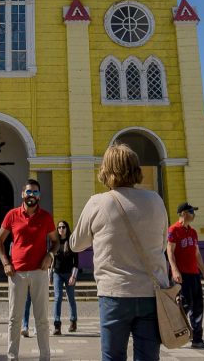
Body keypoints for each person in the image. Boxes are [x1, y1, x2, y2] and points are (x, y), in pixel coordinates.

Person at [71, 144, 169, 361]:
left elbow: (76, 244)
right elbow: (162, 244)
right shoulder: (156, 200)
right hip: (152, 293)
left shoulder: (98, 202)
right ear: (136, 169)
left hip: (114, 294)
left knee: (113, 356)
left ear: (106, 170)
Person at [0, 178, 58, 361]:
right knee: (14, 319)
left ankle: (45, 357)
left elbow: (55, 242)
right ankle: (12, 357)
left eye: (35, 192)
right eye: (29, 192)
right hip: (17, 273)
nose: (32, 195)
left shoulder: (46, 217)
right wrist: (6, 262)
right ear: (23, 194)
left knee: (42, 319)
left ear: (39, 195)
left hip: (39, 272)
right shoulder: (12, 215)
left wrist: (50, 255)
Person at [167, 201, 204, 350]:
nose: (194, 214)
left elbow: (197, 254)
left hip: (194, 274)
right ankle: (171, 332)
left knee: (198, 306)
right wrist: (174, 270)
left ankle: (198, 340)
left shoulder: (193, 232)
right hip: (182, 275)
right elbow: (170, 252)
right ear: (184, 213)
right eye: (192, 211)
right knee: (184, 305)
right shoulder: (174, 230)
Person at [52, 221, 79, 335]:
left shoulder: (71, 243)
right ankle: (57, 325)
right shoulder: (55, 243)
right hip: (57, 274)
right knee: (57, 298)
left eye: (63, 227)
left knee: (71, 298)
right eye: (59, 227)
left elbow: (76, 262)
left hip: (69, 274)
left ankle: (73, 321)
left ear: (67, 229)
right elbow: (52, 260)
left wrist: (73, 276)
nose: (61, 229)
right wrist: (50, 275)